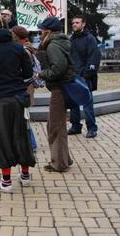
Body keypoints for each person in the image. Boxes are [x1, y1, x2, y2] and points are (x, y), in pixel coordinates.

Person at [0, 27, 35, 192]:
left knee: (1, 138)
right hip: (18, 98)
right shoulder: (19, 48)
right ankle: (25, 176)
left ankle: (6, 182)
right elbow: (28, 72)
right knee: (21, 135)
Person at [36, 17, 76, 172]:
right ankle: (64, 159)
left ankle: (59, 163)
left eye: (42, 30)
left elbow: (58, 68)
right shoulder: (60, 42)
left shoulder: (53, 45)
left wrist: (42, 74)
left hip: (59, 89)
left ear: (49, 31)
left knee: (55, 127)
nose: (40, 33)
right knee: (57, 125)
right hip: (63, 88)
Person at [67, 15, 101, 138]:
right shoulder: (70, 39)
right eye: (73, 23)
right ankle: (76, 126)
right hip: (72, 76)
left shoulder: (89, 39)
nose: (74, 24)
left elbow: (94, 57)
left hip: (84, 77)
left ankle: (92, 128)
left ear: (83, 24)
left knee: (87, 104)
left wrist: (87, 73)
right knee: (73, 103)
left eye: (77, 22)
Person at [12, 25, 43, 152]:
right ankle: (28, 144)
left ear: (17, 37)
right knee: (23, 117)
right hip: (25, 87)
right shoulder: (25, 48)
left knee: (24, 118)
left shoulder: (24, 51)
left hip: (24, 87)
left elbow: (25, 71)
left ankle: (32, 144)